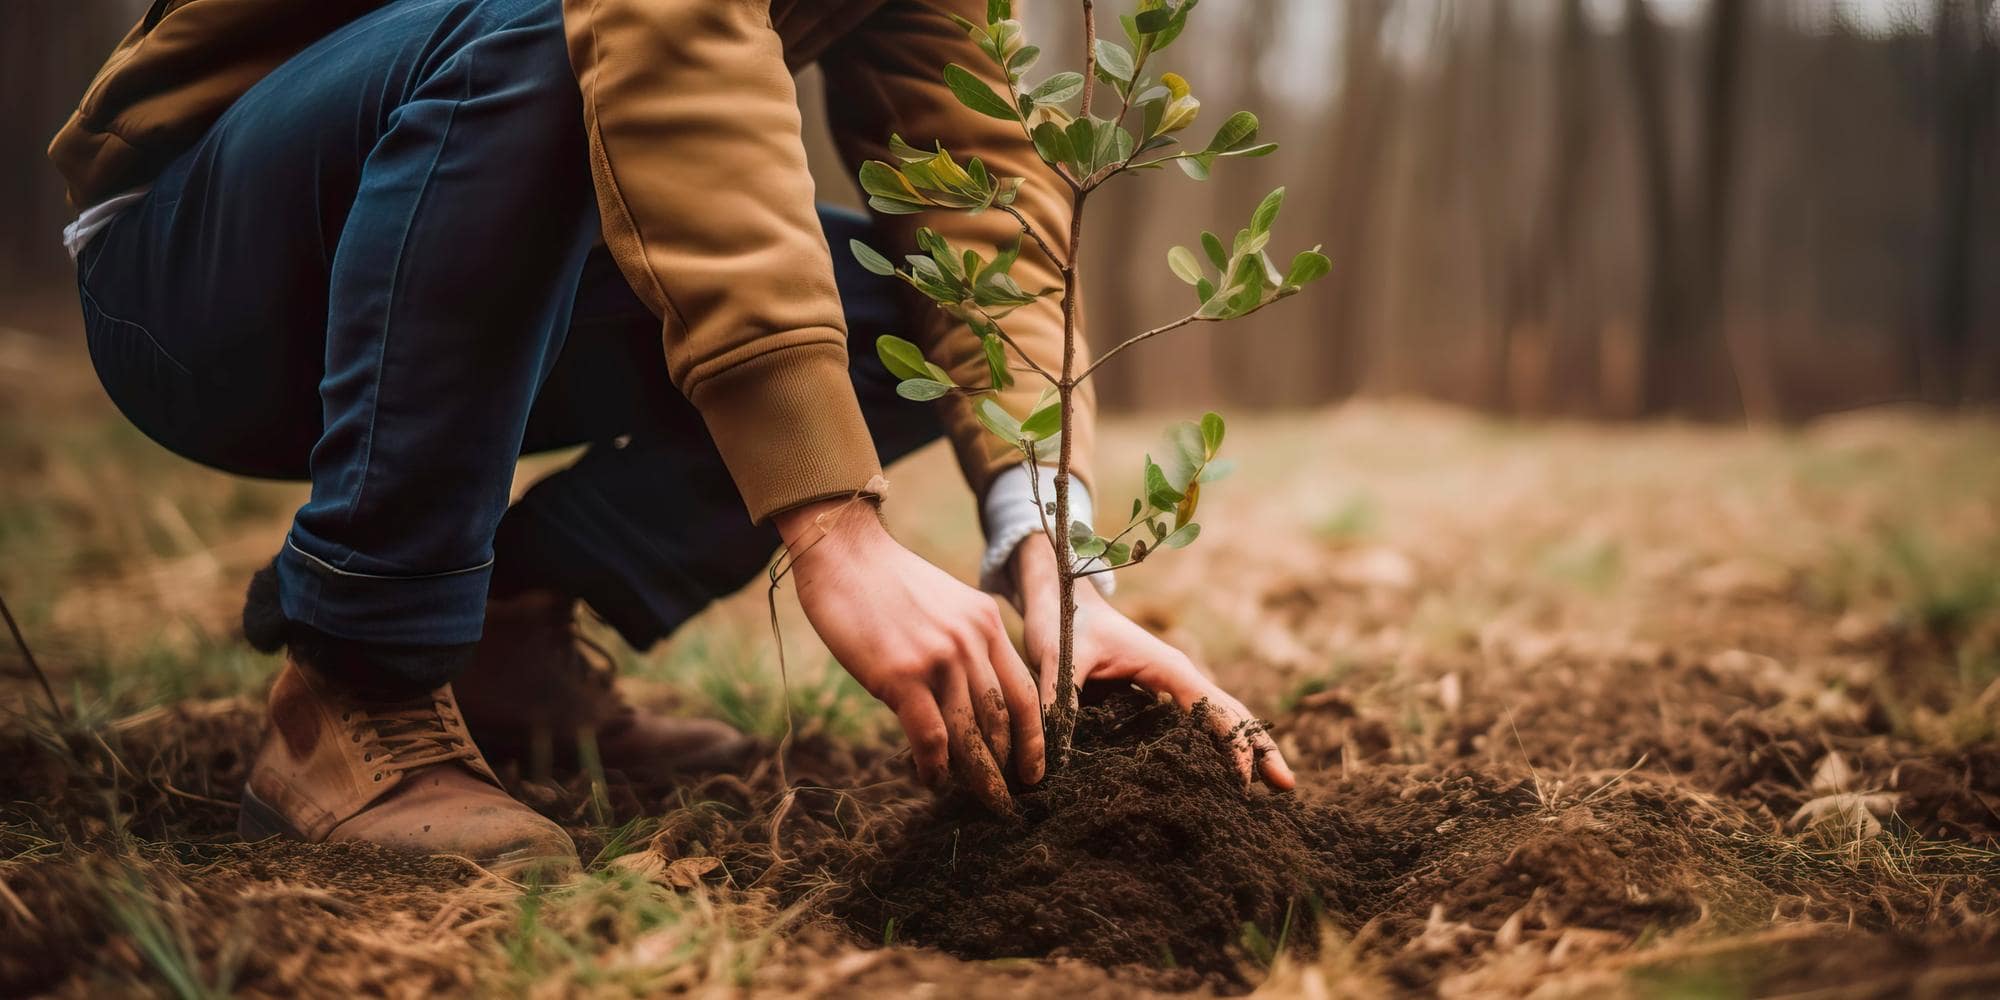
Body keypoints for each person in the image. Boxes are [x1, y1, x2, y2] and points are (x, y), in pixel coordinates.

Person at [50, 0, 1294, 876]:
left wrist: (1053, 547)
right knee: (547, 33)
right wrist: (831, 524)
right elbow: (662, 42)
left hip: (495, 237)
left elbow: (968, 186)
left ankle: (500, 636)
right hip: (209, 265)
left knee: (916, 306)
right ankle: (361, 672)